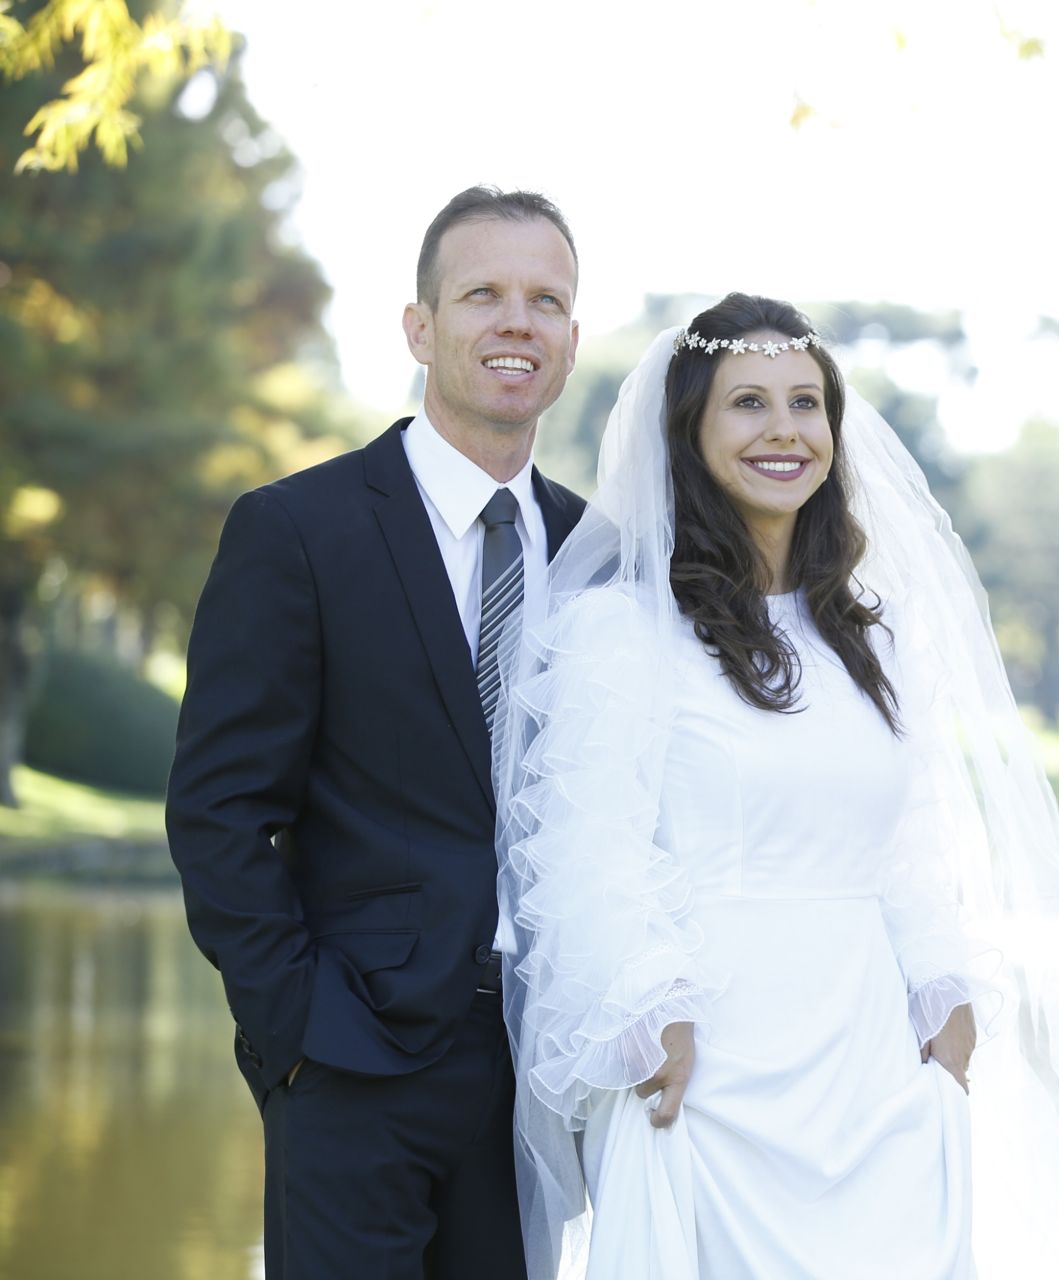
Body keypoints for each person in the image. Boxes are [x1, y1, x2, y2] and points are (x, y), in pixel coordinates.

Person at [495, 294, 1059, 1279]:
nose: (785, 430)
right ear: (690, 431)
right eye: (748, 403)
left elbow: (910, 833)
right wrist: (646, 1010)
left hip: (875, 1075)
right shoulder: (623, 632)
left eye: (806, 403)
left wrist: (942, 988)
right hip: (703, 1070)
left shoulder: (869, 640)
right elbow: (590, 849)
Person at [166, 185, 587, 1280]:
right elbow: (218, 812)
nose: (517, 321)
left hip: (540, 1079)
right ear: (420, 327)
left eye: (545, 300)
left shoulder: (598, 556)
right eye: (482, 294)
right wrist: (299, 1029)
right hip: (352, 1059)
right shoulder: (297, 530)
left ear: (572, 340)